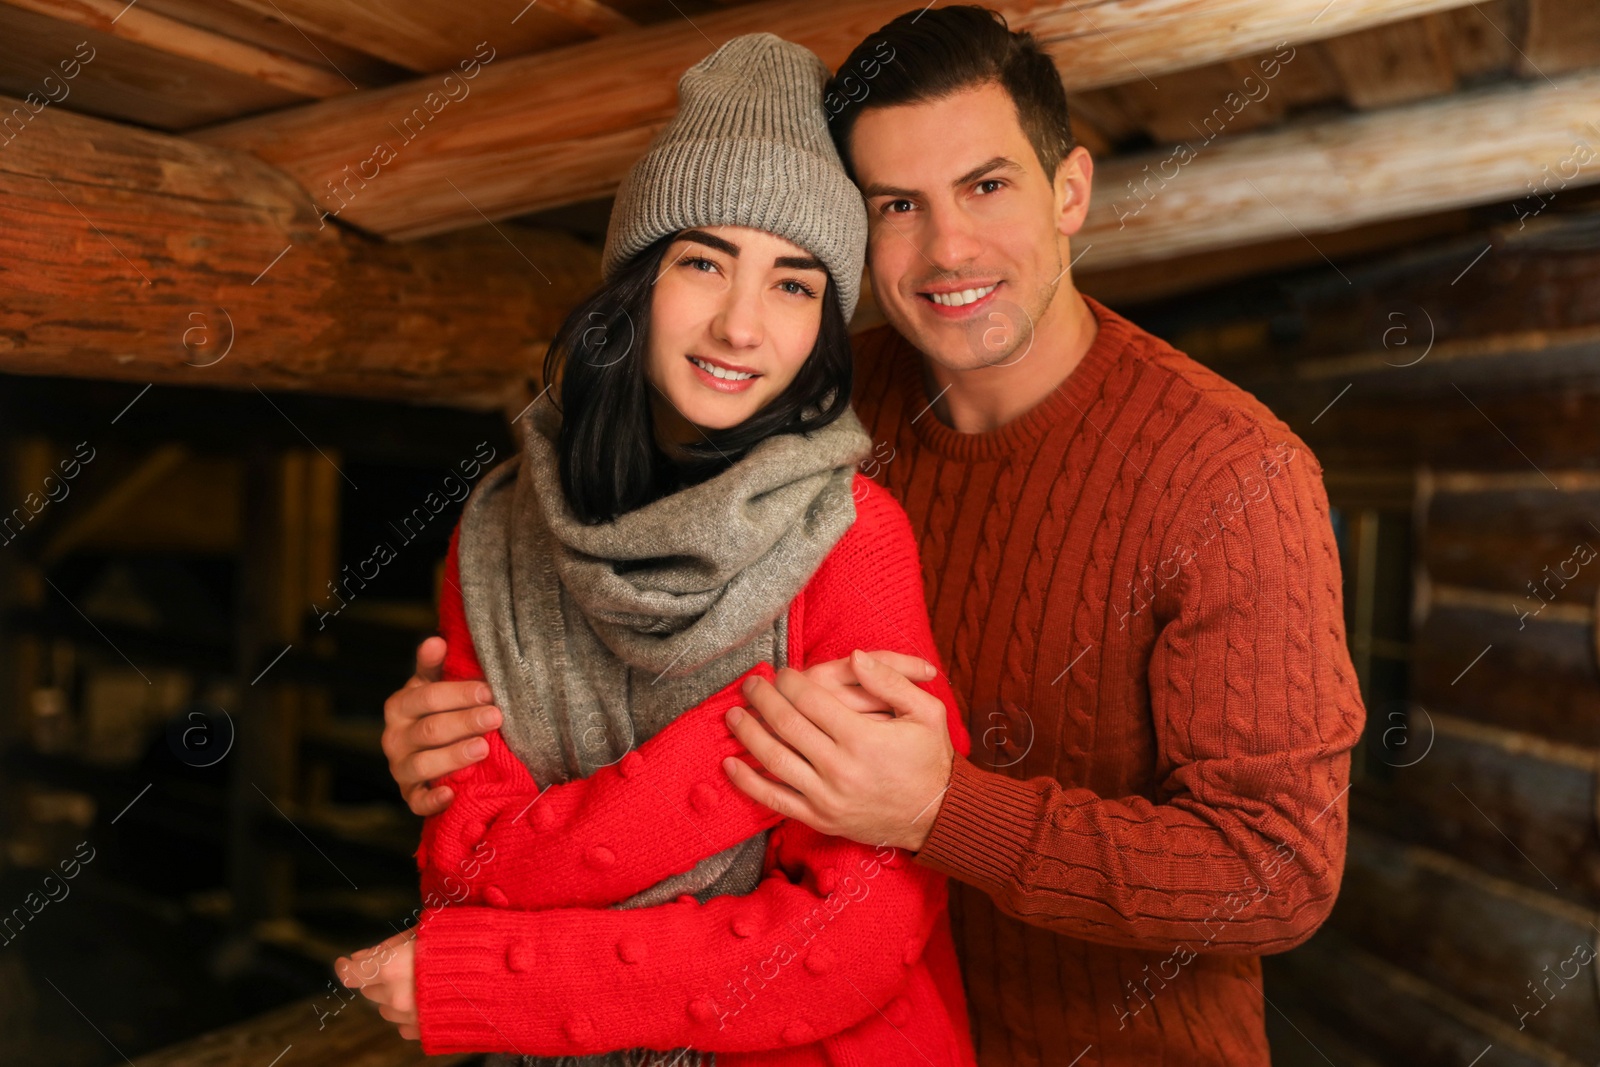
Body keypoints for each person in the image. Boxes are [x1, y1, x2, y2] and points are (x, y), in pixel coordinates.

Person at [380, 8, 1368, 1066]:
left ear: (1070, 189)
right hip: (823, 1025)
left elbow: (1276, 870)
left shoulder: (1230, 474)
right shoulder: (801, 397)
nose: (947, 248)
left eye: (987, 186)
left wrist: (945, 807)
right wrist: (455, 743)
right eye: (898, 204)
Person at [337, 33, 979, 1067]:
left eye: (793, 284)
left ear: (823, 326)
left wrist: (499, 974)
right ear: (634, 283)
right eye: (702, 262)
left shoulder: (853, 538)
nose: (739, 325)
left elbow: (849, 939)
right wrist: (750, 747)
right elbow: (465, 866)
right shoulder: (496, 535)